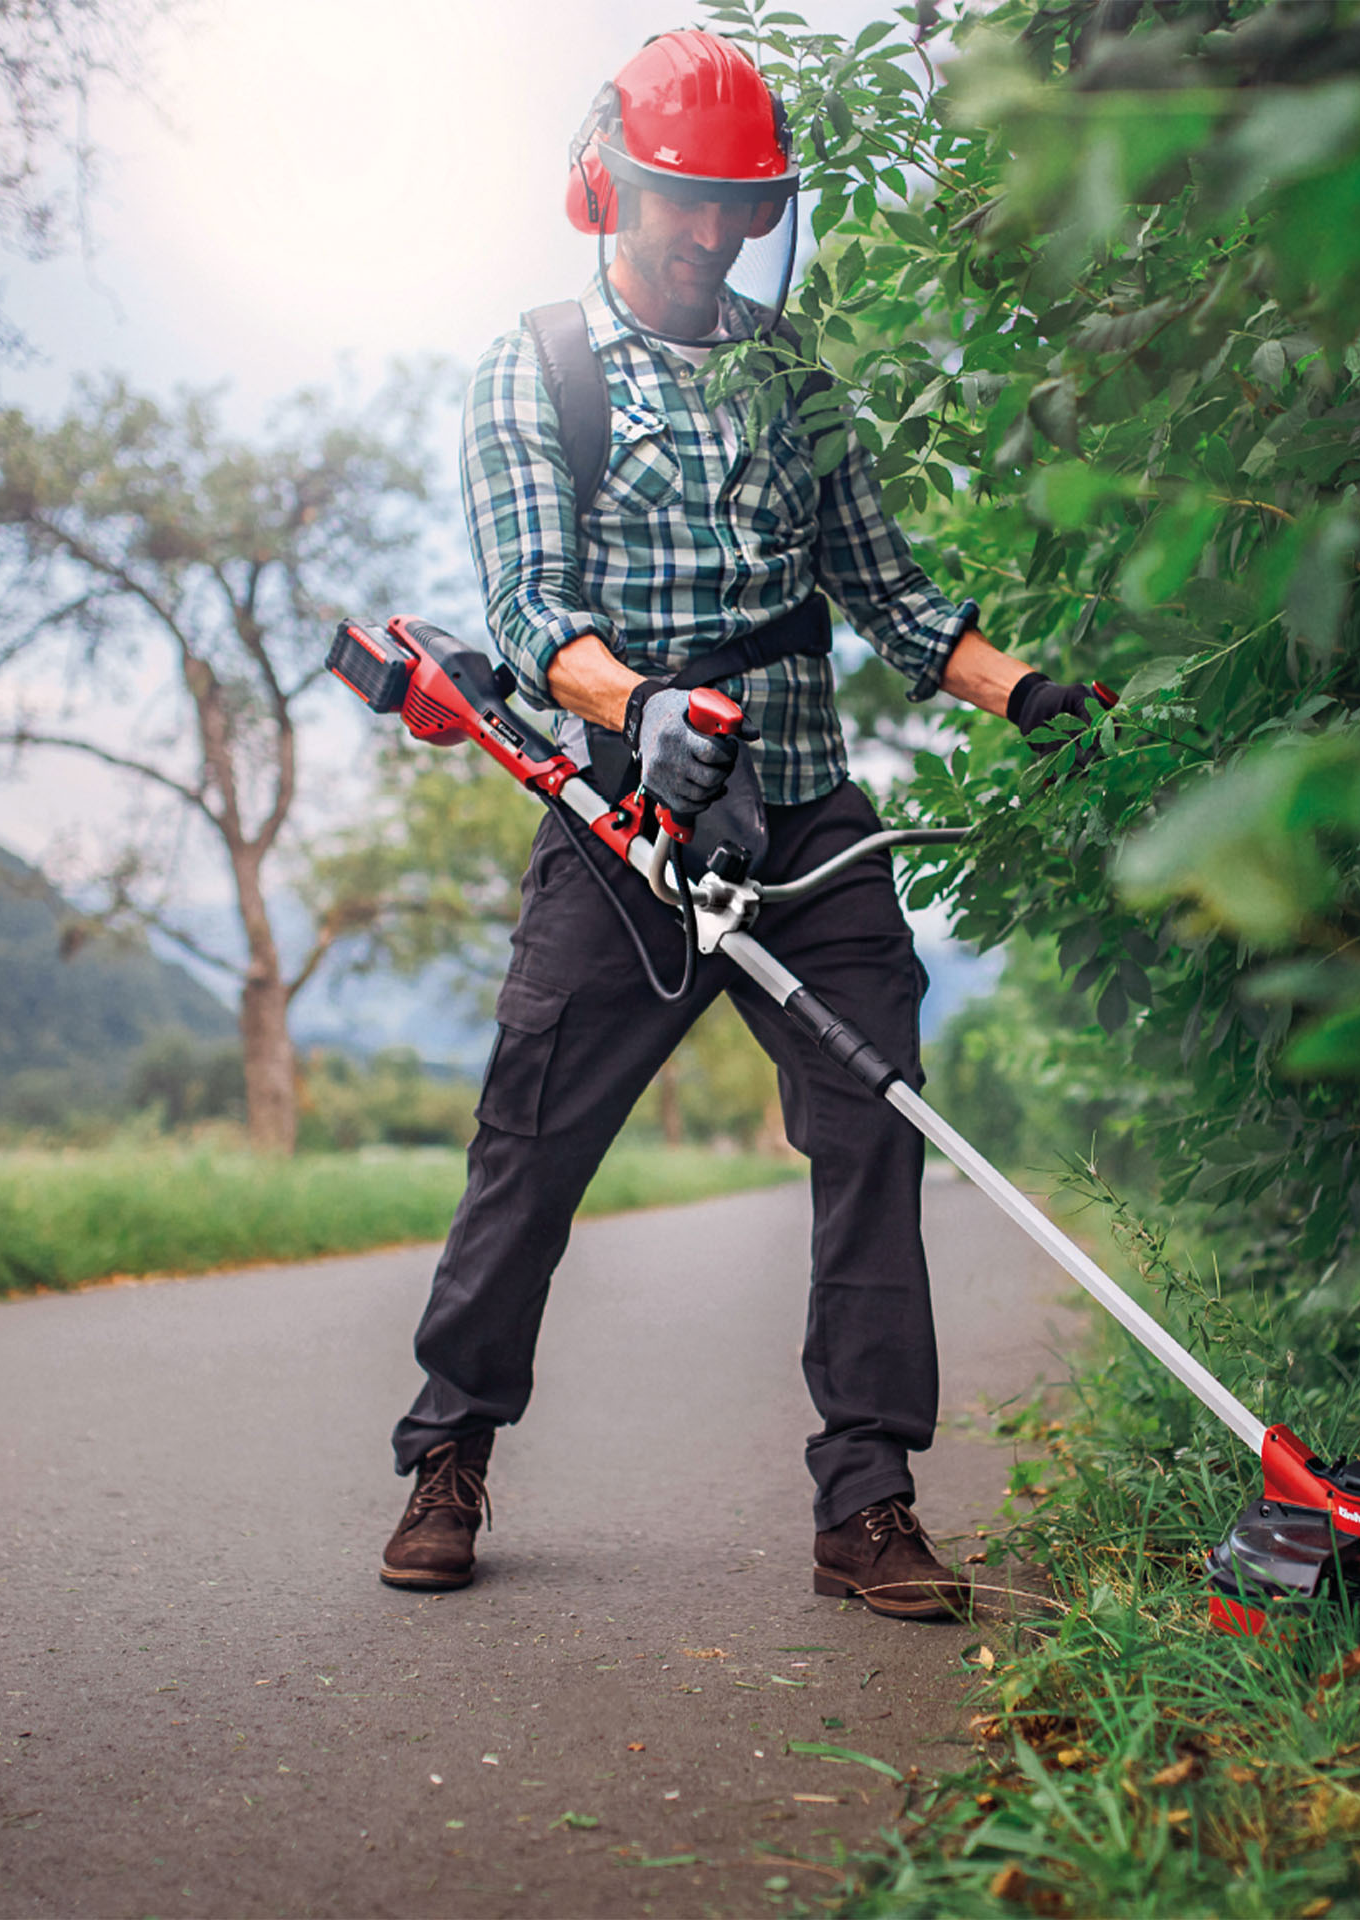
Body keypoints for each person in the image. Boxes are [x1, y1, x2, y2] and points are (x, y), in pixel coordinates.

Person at [379, 29, 1106, 1619]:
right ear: (607, 187)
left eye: (739, 208)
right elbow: (528, 607)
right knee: (533, 1147)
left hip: (806, 820)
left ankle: (870, 1504)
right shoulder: (537, 367)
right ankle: (450, 1448)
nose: (710, 238)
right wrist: (638, 709)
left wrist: (1033, 692)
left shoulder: (793, 377)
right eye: (679, 204)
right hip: (622, 824)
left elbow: (896, 598)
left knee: (876, 1135)